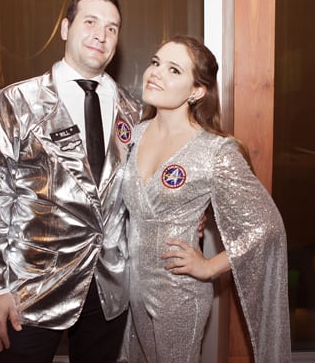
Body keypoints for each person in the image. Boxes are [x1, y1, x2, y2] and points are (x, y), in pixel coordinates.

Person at [0, 0, 142, 363]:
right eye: (90, 22)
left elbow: (142, 186)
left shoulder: (132, 110)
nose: (101, 35)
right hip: (33, 285)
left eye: (112, 28)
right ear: (65, 28)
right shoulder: (17, 101)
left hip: (108, 283)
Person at [121, 35, 292, 362]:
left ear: (196, 91)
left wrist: (209, 267)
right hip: (131, 290)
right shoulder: (132, 135)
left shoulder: (215, 151)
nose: (155, 72)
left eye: (173, 69)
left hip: (178, 294)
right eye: (155, 63)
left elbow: (266, 227)